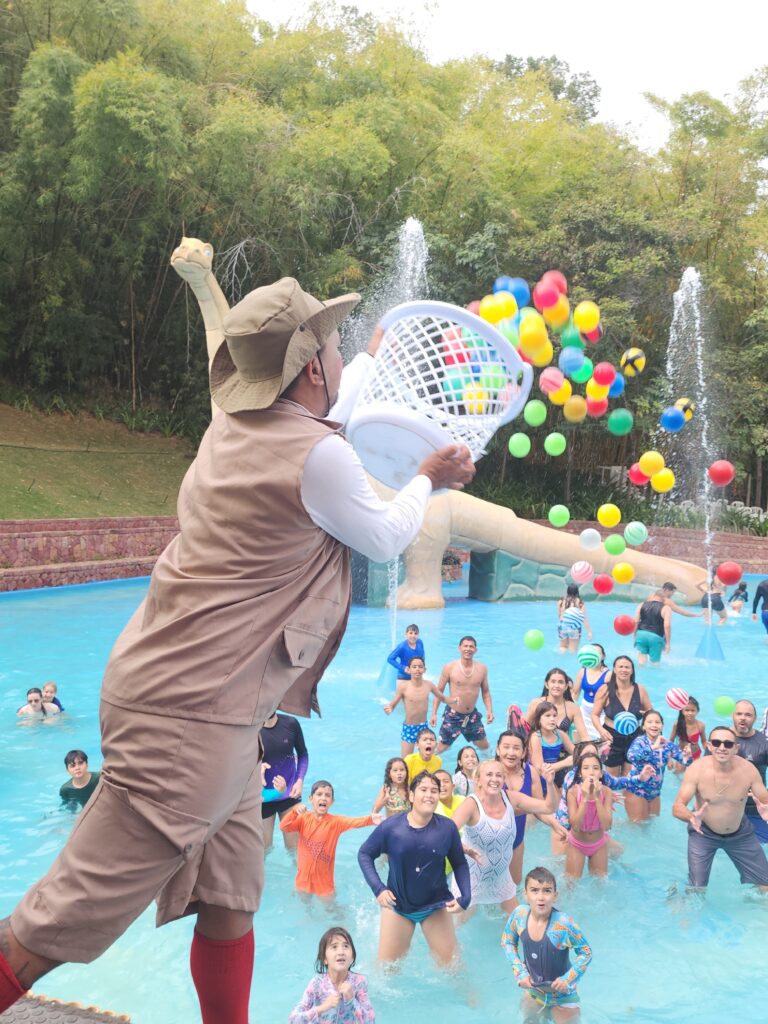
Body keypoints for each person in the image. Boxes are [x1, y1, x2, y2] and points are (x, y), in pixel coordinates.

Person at [0, 277, 475, 1022]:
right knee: (61, 919)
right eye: (335, 344)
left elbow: (328, 424)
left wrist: (377, 360)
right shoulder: (316, 458)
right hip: (186, 717)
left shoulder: (235, 421)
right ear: (314, 365)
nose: (341, 353)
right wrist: (428, 477)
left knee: (230, 897)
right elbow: (383, 533)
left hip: (205, 706)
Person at [357, 771, 471, 966]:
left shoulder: (447, 828)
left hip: (435, 906)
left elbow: (459, 862)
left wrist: (466, 897)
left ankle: (471, 998)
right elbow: (364, 854)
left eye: (434, 791)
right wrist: (379, 888)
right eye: (423, 790)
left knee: (453, 968)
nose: (429, 795)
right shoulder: (391, 828)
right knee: (386, 970)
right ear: (411, 795)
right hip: (398, 907)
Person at [452, 758, 557, 917]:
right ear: (478, 779)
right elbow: (445, 835)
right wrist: (463, 848)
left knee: (520, 923)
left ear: (503, 779)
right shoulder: (471, 804)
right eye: (489, 775)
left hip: (500, 879)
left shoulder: (511, 798)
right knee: (457, 932)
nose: (494, 779)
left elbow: (549, 807)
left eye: (499, 775)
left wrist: (549, 783)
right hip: (470, 881)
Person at [672, 726, 768, 891]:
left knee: (765, 885)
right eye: (716, 743)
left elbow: (765, 800)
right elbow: (677, 806)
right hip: (703, 833)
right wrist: (690, 816)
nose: (722, 748)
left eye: (728, 744)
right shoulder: (697, 770)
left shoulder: (748, 770)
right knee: (697, 889)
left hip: (740, 834)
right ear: (709, 746)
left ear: (736, 748)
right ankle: (674, 894)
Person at [502, 866, 592, 1022]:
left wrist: (567, 979)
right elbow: (508, 941)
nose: (541, 897)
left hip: (564, 996)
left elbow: (586, 952)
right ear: (525, 894)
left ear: (555, 896)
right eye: (535, 890)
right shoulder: (519, 915)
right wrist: (520, 972)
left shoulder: (563, 925)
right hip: (534, 991)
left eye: (547, 891)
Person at [280, 780, 380, 904]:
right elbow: (284, 827)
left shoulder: (335, 822)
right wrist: (294, 812)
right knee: (305, 907)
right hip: (303, 880)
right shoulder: (303, 819)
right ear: (311, 799)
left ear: (332, 802)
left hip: (324, 883)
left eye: (328, 795)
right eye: (319, 794)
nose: (323, 798)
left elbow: (354, 822)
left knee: (331, 910)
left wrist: (370, 819)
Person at [496, 731, 552, 884]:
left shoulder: (531, 772)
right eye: (506, 747)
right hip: (492, 843)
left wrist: (556, 825)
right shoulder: (490, 773)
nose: (511, 753)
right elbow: (490, 810)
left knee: (514, 886)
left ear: (523, 752)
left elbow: (540, 807)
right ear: (498, 750)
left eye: (516, 748)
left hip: (517, 842)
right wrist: (528, 808)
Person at [288, 926, 375, 1024]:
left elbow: (370, 1021)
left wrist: (352, 1001)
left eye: (346, 946)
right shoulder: (317, 984)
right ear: (324, 959)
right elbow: (292, 1020)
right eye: (334, 947)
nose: (341, 952)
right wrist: (323, 1007)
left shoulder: (359, 982)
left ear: (352, 957)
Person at [624, 710, 691, 822]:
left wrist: (687, 756)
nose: (654, 725)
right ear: (643, 726)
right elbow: (631, 757)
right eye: (649, 722)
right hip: (636, 789)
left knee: (651, 824)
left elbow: (685, 762)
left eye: (657, 722)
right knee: (637, 826)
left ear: (662, 726)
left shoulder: (667, 744)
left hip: (654, 792)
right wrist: (652, 747)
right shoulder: (639, 742)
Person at [590, 656, 652, 778]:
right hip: (611, 738)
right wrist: (601, 731)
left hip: (635, 737)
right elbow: (594, 715)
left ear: (632, 670)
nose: (624, 670)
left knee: (630, 776)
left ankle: (627, 797)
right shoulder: (605, 690)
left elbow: (650, 713)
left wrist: (646, 717)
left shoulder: (640, 690)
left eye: (627, 667)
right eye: (620, 667)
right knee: (612, 778)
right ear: (614, 669)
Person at [383, 655, 456, 756]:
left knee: (425, 758)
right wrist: (390, 708)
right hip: (409, 728)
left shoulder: (429, 685)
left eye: (420, 667)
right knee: (406, 760)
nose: (417, 669)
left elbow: (442, 698)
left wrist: (453, 701)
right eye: (414, 667)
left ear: (424, 669)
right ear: (408, 669)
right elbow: (393, 704)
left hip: (423, 727)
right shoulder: (403, 687)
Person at [431, 636, 494, 753]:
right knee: (442, 747)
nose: (468, 649)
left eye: (471, 646)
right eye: (465, 646)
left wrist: (489, 710)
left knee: (484, 746)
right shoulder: (449, 667)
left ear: (476, 650)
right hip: (453, 715)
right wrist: (434, 713)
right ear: (459, 648)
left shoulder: (482, 668)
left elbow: (485, 692)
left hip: (472, 716)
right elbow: (438, 691)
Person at [260, 711, 308, 852]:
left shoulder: (290, 724)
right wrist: (257, 768)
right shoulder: (251, 728)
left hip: (290, 796)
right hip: (263, 799)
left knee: (296, 851)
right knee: (263, 851)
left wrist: (299, 781)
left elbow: (303, 754)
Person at [564, 751, 613, 879]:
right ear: (580, 773)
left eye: (596, 768)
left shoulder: (607, 792)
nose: (591, 772)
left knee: (600, 884)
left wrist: (597, 798)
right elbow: (574, 826)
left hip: (599, 843)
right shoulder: (573, 792)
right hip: (577, 844)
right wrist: (585, 798)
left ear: (601, 773)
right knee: (571, 884)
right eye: (586, 768)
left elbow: (607, 825)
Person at [731, 700, 768, 844]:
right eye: (739, 714)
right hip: (726, 809)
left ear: (755, 718)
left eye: (748, 715)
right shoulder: (720, 740)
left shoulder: (764, 743)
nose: (742, 718)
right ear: (733, 716)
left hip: (756, 811)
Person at [525, 668, 589, 743]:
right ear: (546, 684)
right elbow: (526, 729)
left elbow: (584, 736)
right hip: (539, 748)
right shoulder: (536, 703)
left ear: (566, 686)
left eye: (560, 682)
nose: (556, 685)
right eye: (553, 682)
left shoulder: (573, 708)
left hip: (563, 749)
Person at [527, 703, 575, 795]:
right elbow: (539, 770)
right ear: (539, 719)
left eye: (554, 716)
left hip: (552, 775)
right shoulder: (536, 738)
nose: (552, 719)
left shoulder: (560, 734)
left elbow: (577, 753)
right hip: (537, 779)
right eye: (547, 716)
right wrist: (565, 763)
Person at [570, 643, 608, 741]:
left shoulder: (608, 674)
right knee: (579, 740)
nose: (594, 655)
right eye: (592, 652)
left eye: (598, 653)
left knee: (601, 741)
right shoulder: (583, 671)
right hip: (584, 711)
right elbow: (575, 694)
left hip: (601, 713)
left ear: (603, 656)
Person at [633, 591, 671, 666]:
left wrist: (634, 634)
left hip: (641, 634)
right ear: (663, 599)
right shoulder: (666, 608)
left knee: (641, 660)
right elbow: (667, 626)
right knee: (655, 663)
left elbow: (636, 621)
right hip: (656, 637)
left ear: (653, 596)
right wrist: (668, 643)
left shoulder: (641, 604)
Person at [556, 585, 592, 654]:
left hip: (562, 625)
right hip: (574, 626)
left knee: (563, 647)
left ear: (567, 591)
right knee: (573, 649)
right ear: (577, 592)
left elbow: (559, 615)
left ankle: (560, 660)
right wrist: (589, 632)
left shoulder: (561, 601)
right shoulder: (580, 602)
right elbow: (584, 618)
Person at [669, 697, 706, 762]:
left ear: (697, 711)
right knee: (677, 772)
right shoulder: (677, 724)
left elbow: (704, 741)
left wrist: (708, 753)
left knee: (696, 771)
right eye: (687, 710)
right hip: (681, 754)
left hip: (695, 754)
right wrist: (669, 758)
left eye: (693, 710)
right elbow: (671, 741)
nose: (690, 713)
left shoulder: (700, 725)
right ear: (682, 711)